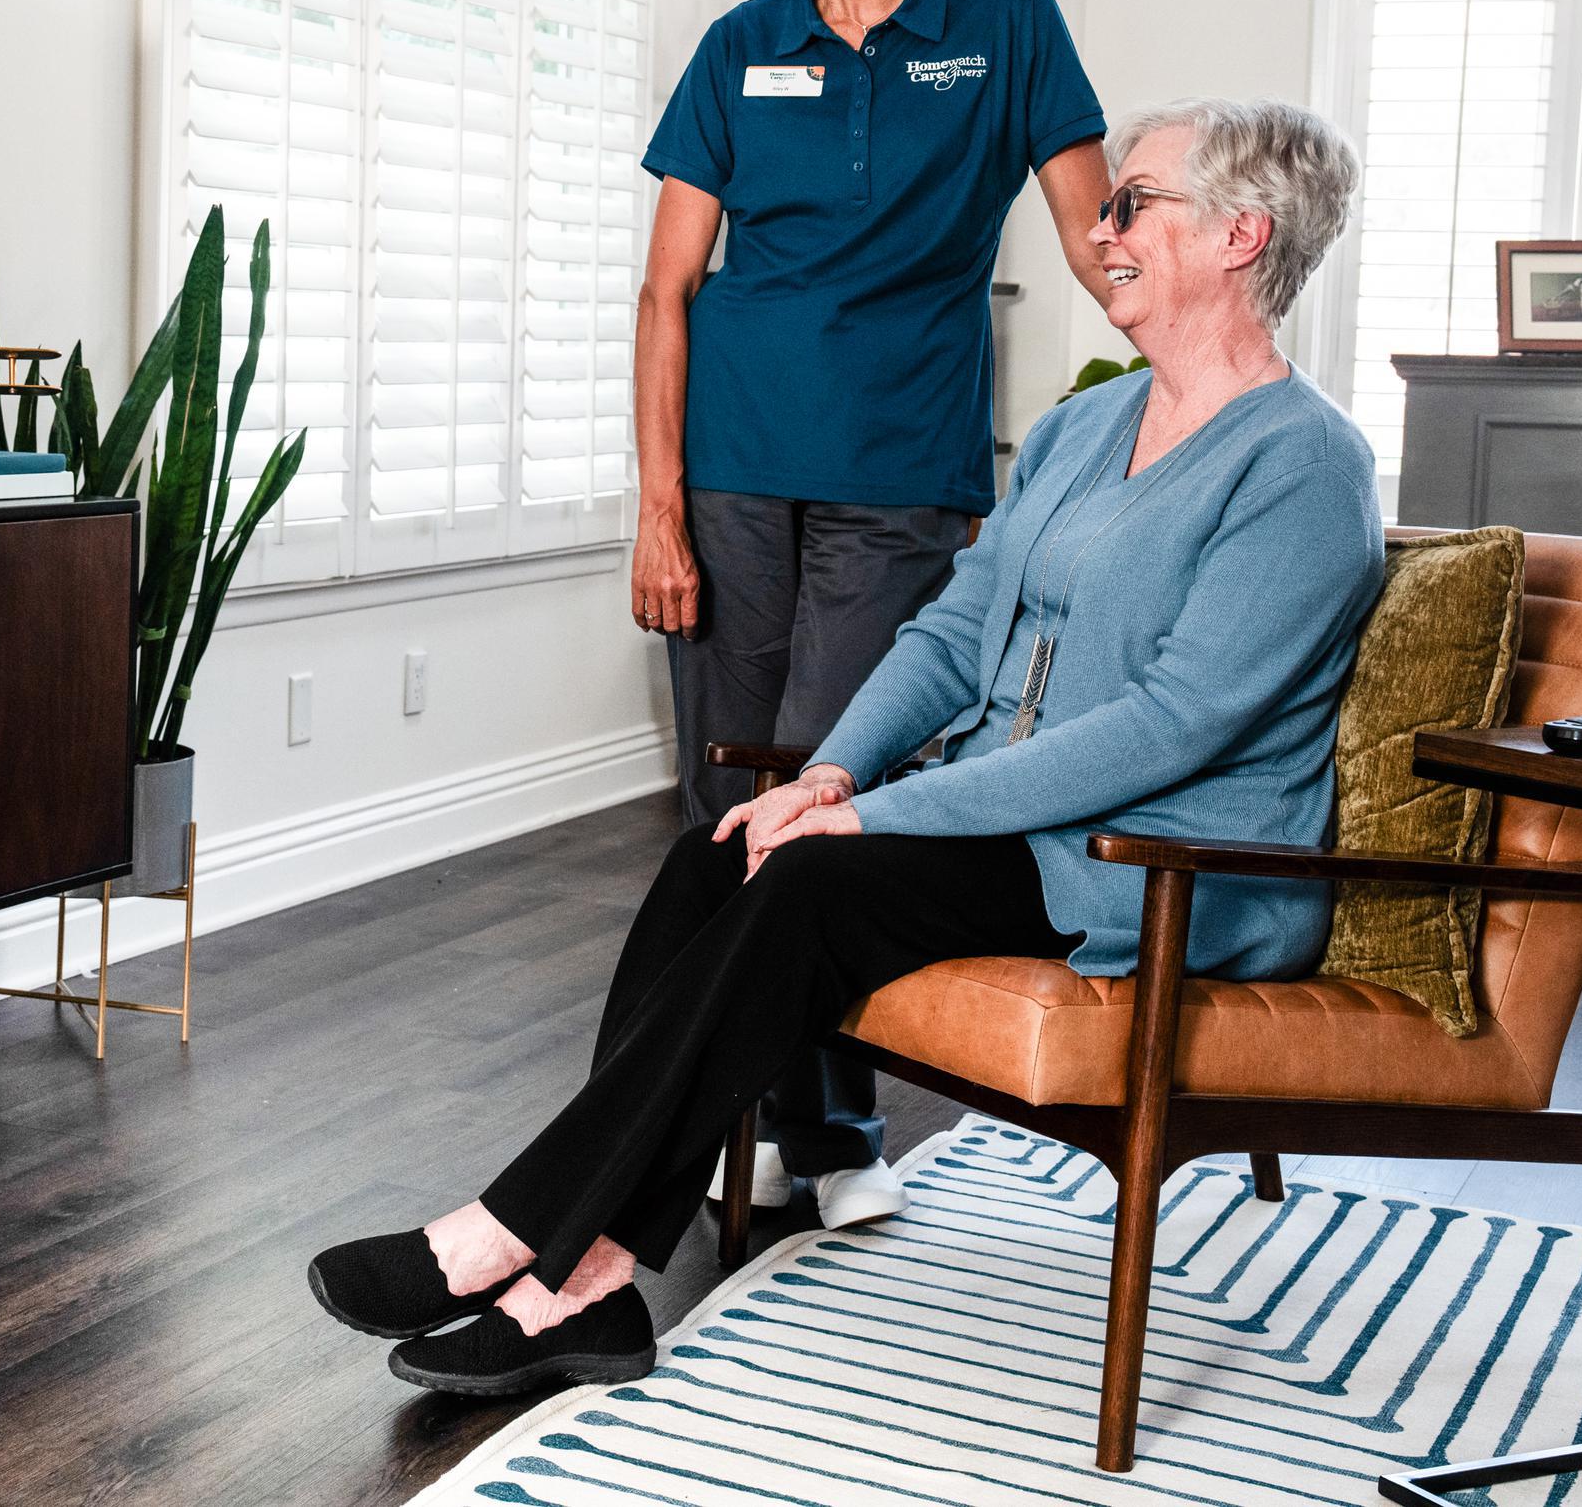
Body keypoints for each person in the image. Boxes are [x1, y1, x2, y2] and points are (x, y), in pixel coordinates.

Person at [310, 97, 1383, 1397]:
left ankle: (505, 1239)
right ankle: (579, 1286)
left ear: (1241, 234)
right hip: (1020, 829)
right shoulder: (1087, 426)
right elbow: (955, 623)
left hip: (1154, 868)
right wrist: (833, 773)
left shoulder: (1306, 467)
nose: (1098, 230)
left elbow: (1172, 724)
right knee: (726, 849)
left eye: (1133, 202)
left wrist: (875, 821)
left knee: (813, 879)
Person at [632, 0, 1116, 1228]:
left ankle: (831, 1128)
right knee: (731, 792)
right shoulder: (743, 40)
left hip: (900, 477)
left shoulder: (1006, 20)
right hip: (731, 471)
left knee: (838, 791)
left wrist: (1219, 339)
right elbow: (668, 292)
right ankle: (734, 1118)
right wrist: (658, 505)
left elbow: (1104, 241)